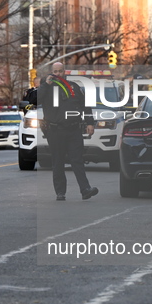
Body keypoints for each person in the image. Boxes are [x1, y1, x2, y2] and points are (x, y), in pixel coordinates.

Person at [37, 62, 99, 201]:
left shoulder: (74, 87)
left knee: (77, 160)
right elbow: (36, 99)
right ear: (51, 72)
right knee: (58, 162)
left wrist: (90, 123)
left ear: (64, 72)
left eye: (60, 71)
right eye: (55, 71)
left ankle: (85, 190)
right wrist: (45, 84)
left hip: (73, 129)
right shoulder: (46, 87)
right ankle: (60, 192)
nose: (58, 74)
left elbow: (85, 106)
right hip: (55, 130)